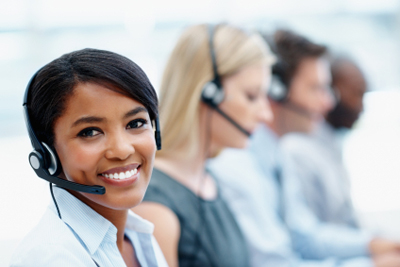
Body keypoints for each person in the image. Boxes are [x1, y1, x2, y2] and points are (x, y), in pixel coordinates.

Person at [208, 29, 400, 267]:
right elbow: (271, 263)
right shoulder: (237, 163)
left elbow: (304, 237)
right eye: (315, 88)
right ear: (277, 91)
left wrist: (373, 245)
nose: (328, 102)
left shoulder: (277, 153)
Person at [132, 23, 274, 267]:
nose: (266, 114)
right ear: (208, 93)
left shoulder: (208, 180)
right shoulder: (155, 204)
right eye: (252, 96)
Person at [10, 48, 168, 266]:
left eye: (135, 123)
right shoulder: (52, 258)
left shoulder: (140, 237)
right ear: (47, 154)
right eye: (90, 132)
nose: (122, 150)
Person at [280, 55, 368, 227]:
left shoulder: (332, 143)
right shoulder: (298, 150)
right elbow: (310, 237)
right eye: (356, 93)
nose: (362, 106)